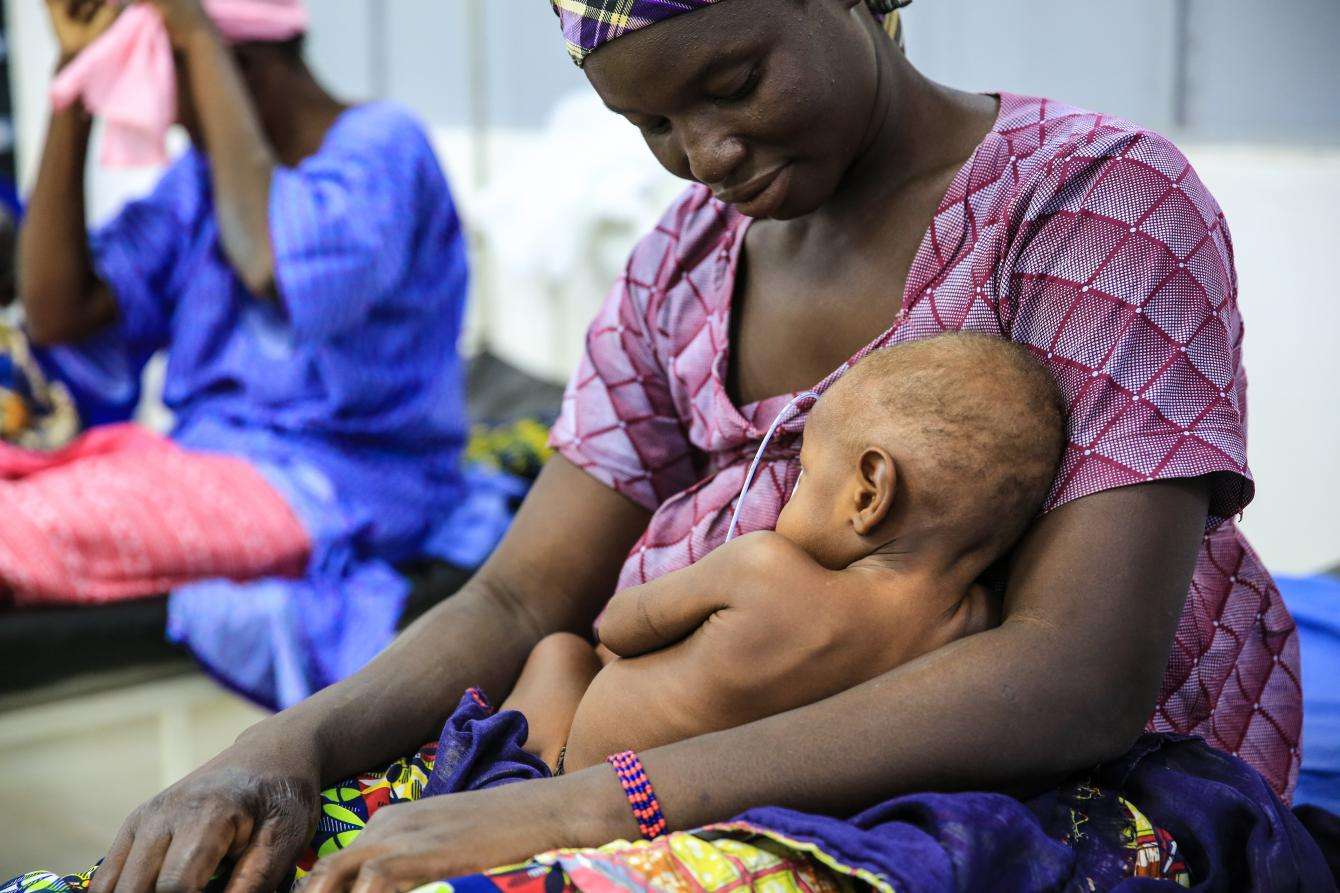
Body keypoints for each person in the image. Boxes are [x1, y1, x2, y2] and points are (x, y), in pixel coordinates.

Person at [5, 1, 1323, 891]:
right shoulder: (681, 270)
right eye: (652, 127)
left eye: (734, 81)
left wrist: (597, 806)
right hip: (649, 767)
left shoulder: (1088, 207)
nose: (707, 153)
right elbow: (524, 592)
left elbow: (1074, 673)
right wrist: (276, 751)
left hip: (1025, 795)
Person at [3, 0, 473, 701]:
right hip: (205, 463)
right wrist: (73, 83)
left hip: (341, 487)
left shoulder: (384, 146)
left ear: (237, 67)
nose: (170, 119)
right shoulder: (198, 185)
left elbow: (273, 264)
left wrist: (193, 34)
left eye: (172, 89)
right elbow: (58, 312)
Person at [505, 333, 1060, 773]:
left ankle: (509, 776)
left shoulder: (762, 569)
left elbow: (621, 628)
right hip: (738, 817)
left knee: (561, 652)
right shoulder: (975, 631)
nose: (789, 492)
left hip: (580, 769)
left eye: (805, 475)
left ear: (868, 493)